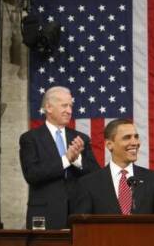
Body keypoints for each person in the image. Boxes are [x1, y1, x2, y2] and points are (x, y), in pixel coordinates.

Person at [19, 86, 100, 229]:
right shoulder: (30, 139)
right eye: (64, 105)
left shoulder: (81, 139)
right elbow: (32, 174)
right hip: (45, 214)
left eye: (70, 106)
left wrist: (77, 160)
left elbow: (96, 175)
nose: (69, 111)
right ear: (48, 107)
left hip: (79, 214)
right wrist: (66, 159)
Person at [71, 118, 154, 215]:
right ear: (110, 144)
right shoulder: (88, 184)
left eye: (136, 137)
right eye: (127, 137)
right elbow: (82, 228)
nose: (135, 142)